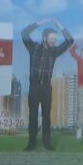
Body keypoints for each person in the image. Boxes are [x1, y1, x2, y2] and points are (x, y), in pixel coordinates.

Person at [21, 20, 73, 151]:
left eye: (55, 39)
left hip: (46, 88)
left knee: (46, 117)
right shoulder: (33, 48)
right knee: (32, 116)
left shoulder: (54, 51)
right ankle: (31, 143)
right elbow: (24, 33)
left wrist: (59, 26)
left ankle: (47, 142)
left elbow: (70, 41)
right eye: (52, 38)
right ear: (45, 38)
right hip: (34, 87)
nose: (54, 41)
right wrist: (40, 23)